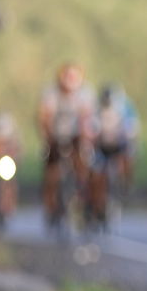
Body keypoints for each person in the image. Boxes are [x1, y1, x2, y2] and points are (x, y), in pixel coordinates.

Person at [37, 62, 95, 222]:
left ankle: (83, 196)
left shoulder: (85, 93)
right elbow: (44, 118)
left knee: (84, 163)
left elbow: (86, 118)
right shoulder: (51, 93)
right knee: (51, 171)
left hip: (76, 136)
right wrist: (48, 138)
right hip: (55, 136)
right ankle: (50, 206)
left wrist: (86, 139)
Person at [94, 83, 140, 196]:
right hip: (102, 142)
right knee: (95, 166)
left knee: (127, 155)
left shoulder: (125, 107)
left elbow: (131, 126)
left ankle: (126, 182)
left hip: (119, 141)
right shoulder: (97, 108)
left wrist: (128, 134)